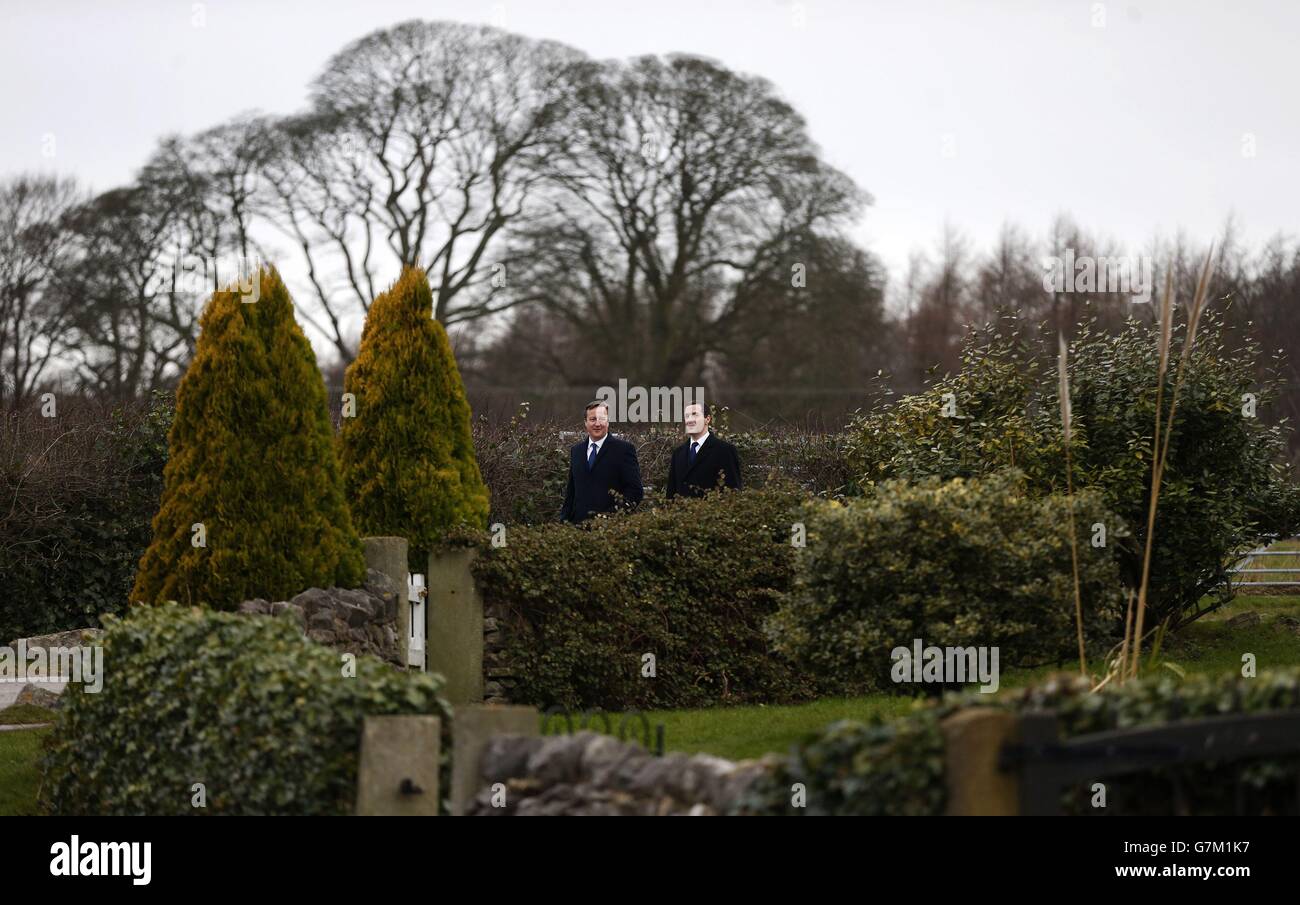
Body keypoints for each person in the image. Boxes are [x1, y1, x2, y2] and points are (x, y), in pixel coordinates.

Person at [560, 401, 644, 523]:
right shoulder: (576, 451)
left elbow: (635, 491)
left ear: (608, 422)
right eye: (593, 419)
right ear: (586, 422)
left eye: (602, 419)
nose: (597, 424)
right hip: (576, 530)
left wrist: (610, 517)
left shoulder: (624, 450)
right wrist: (564, 520)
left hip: (610, 530)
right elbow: (571, 492)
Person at [665, 402, 742, 499]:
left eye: (695, 414)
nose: (690, 420)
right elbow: (671, 494)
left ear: (708, 419)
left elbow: (732, 492)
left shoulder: (725, 451)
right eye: (687, 416)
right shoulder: (678, 453)